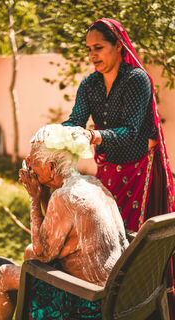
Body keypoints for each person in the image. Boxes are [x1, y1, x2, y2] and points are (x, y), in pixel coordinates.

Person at [62, 18, 175, 318]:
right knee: (107, 232)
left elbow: (134, 131)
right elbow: (76, 119)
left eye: (99, 48)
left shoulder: (137, 80)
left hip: (139, 168)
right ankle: (109, 296)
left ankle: (134, 297)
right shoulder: (89, 84)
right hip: (109, 169)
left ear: (118, 46)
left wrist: (96, 135)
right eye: (89, 50)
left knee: (131, 237)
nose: (92, 55)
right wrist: (55, 133)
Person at [0, 124, 129, 320]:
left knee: (4, 274)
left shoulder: (64, 197)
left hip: (91, 301)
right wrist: (44, 196)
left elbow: (43, 254)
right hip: (119, 293)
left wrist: (33, 199)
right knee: (29, 252)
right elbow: (58, 227)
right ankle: (28, 308)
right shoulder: (92, 183)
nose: (30, 167)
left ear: (51, 167)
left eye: (33, 163)